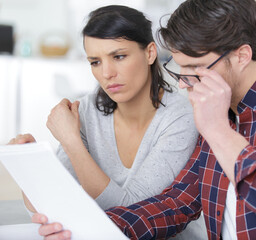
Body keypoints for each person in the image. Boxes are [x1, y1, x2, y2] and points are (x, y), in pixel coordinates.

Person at [31, 0, 256, 239]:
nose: (185, 83)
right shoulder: (219, 108)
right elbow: (176, 203)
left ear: (241, 55)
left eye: (194, 69)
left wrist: (218, 131)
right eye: (180, 69)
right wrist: (89, 229)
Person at [9, 4, 207, 239]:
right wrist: (30, 168)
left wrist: (72, 141)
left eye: (119, 56)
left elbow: (132, 211)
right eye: (95, 62)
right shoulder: (86, 112)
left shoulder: (181, 117)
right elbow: (50, 204)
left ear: (150, 53)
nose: (107, 73)